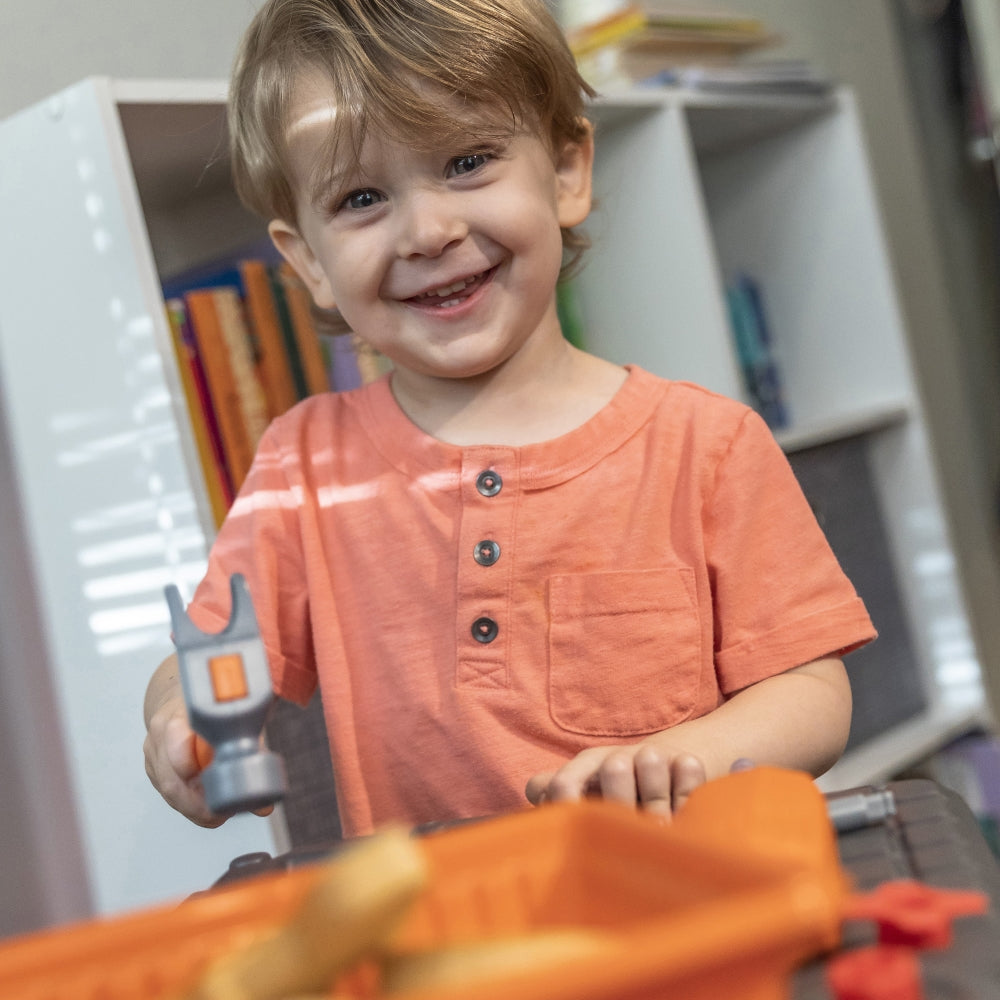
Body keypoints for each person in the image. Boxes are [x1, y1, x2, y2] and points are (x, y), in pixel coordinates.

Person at [143, 0, 875, 838]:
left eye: (466, 162)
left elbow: (814, 695)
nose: (428, 231)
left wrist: (695, 755)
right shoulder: (302, 466)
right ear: (307, 257)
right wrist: (180, 722)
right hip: (450, 949)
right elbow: (204, 654)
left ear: (566, 173)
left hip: (688, 913)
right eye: (362, 197)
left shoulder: (707, 446)